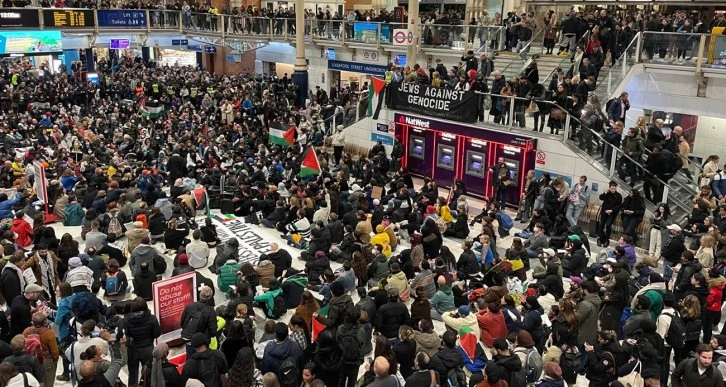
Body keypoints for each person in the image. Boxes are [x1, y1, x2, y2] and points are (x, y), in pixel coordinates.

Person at [123, 297, 161, 387]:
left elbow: (125, 334)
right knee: (148, 373)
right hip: (148, 349)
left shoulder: (127, 319)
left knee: (132, 374)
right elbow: (157, 334)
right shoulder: (152, 318)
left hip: (133, 350)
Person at [180, 286, 217, 361]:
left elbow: (182, 322)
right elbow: (213, 332)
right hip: (202, 341)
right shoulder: (210, 311)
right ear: (210, 298)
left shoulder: (190, 305)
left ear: (200, 295)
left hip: (188, 336)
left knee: (190, 358)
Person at [22, 312, 59, 387]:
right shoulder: (49, 333)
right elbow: (54, 352)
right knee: (48, 383)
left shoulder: (26, 331)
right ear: (45, 322)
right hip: (46, 361)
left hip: (30, 360)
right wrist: (54, 361)